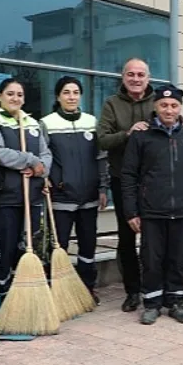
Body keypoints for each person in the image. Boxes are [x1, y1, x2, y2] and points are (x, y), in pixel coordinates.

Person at [121, 85, 183, 324]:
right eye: (164, 105)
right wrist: (131, 211)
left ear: (180, 108)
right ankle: (152, 303)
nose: (169, 110)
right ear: (155, 106)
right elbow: (128, 175)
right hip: (152, 211)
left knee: (179, 259)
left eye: (174, 106)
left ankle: (177, 303)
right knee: (152, 260)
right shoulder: (141, 136)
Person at [0, 78, 52, 302]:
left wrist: (40, 170)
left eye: (19, 95)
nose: (15, 98)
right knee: (4, 254)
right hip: (2, 199)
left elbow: (46, 154)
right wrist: (30, 160)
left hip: (31, 198)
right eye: (10, 94)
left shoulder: (32, 123)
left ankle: (22, 304)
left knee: (26, 251)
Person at [41, 76, 108, 305]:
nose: (71, 97)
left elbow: (101, 157)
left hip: (89, 196)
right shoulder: (47, 123)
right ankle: (57, 291)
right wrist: (49, 180)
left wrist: (102, 187)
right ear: (58, 97)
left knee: (88, 245)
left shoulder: (91, 121)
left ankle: (86, 289)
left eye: (75, 92)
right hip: (61, 197)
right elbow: (44, 156)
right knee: (59, 245)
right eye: (66, 92)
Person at [97, 58, 156, 312]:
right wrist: (127, 134)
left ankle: (154, 287)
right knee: (127, 237)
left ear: (148, 78)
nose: (135, 78)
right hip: (123, 181)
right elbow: (101, 139)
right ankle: (132, 291)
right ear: (123, 77)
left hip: (155, 182)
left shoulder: (158, 102)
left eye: (140, 74)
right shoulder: (112, 104)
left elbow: (173, 125)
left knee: (155, 237)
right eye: (130, 74)